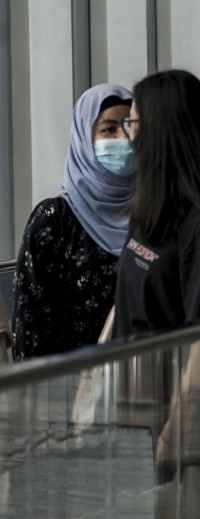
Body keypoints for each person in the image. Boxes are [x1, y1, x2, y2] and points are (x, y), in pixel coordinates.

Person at [114, 69, 200, 338]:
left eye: (134, 124)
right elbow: (123, 306)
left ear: (162, 131)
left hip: (169, 378)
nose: (129, 138)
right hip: (126, 375)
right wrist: (92, 374)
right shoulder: (148, 208)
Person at [12, 84, 134, 359]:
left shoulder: (152, 214)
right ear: (83, 138)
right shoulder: (54, 221)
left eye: (129, 127)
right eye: (108, 129)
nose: (123, 139)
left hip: (139, 383)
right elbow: (30, 325)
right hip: (67, 388)